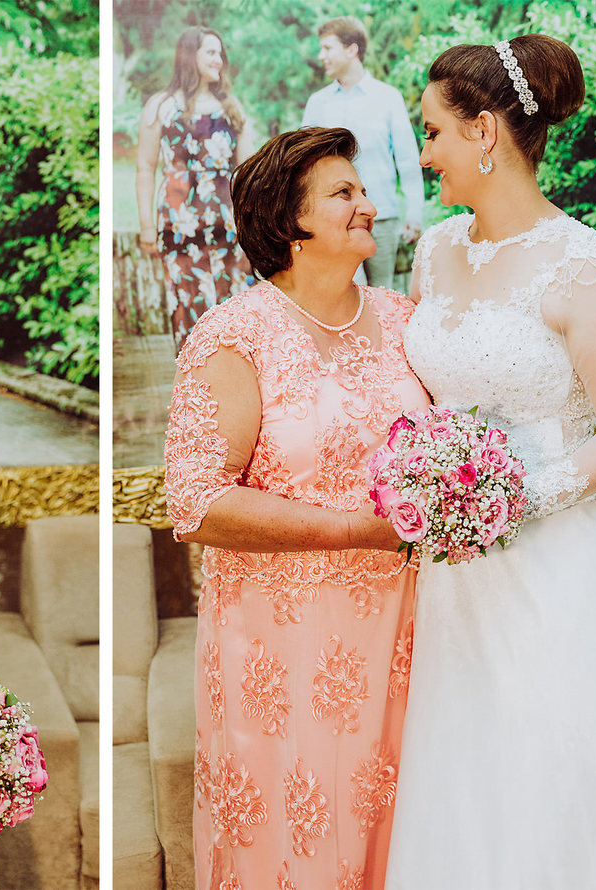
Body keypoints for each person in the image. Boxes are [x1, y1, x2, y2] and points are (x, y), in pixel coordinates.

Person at [385, 35, 596, 888]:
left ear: (485, 132)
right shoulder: (435, 252)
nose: (424, 155)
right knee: (468, 798)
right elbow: (428, 398)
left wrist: (513, 497)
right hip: (453, 581)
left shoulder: (590, 269)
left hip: (564, 580)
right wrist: (432, 483)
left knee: (564, 798)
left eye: (434, 133)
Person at [164, 126, 430, 890]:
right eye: (344, 193)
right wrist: (359, 532)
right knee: (306, 838)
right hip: (287, 645)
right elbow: (197, 500)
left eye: (363, 190)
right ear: (290, 219)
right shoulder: (234, 337)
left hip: (413, 627)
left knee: (406, 820)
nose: (367, 206)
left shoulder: (405, 320)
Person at [137, 26, 254, 354]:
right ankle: (194, 388)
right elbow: (145, 167)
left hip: (225, 222)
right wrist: (147, 226)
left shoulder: (231, 106)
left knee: (231, 303)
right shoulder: (161, 105)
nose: (219, 60)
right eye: (210, 52)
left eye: (221, 53)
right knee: (186, 301)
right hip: (178, 224)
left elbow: (248, 172)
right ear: (190, 56)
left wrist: (251, 224)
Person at [301, 17, 423, 289]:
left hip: (382, 218)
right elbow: (303, 166)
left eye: (327, 48)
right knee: (345, 292)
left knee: (383, 295)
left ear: (351, 49)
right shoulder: (317, 104)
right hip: (334, 222)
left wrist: (414, 214)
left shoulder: (388, 97)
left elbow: (407, 161)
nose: (321, 56)